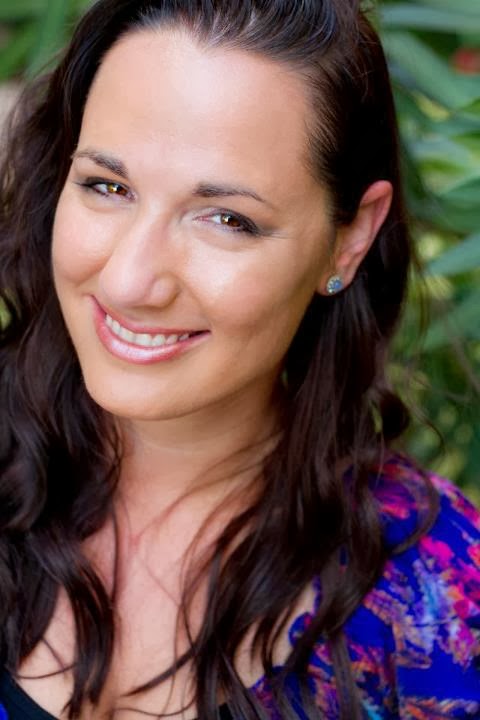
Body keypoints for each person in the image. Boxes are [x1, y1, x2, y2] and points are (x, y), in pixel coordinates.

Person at [0, 1, 478, 718]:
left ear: (350, 238)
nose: (129, 281)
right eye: (107, 186)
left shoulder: (436, 594)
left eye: (227, 219)